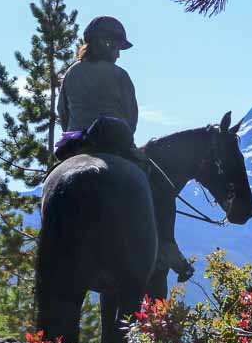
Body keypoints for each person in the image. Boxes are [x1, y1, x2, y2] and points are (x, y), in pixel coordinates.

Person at [56, 16, 194, 282]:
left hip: (74, 145)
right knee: (161, 186)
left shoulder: (71, 72)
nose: (119, 53)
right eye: (117, 46)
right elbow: (131, 119)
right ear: (105, 44)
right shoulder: (120, 75)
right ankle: (166, 246)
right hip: (113, 143)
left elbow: (63, 113)